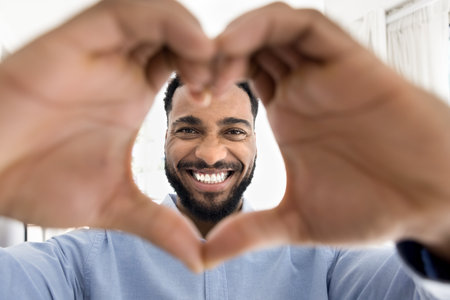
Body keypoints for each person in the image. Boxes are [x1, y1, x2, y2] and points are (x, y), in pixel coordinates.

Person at [0, 0, 449, 299]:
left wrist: (435, 199)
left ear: (256, 141)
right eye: (190, 129)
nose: (211, 154)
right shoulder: (79, 262)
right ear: (165, 137)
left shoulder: (326, 262)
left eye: (233, 131)